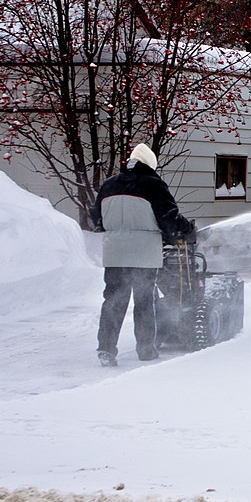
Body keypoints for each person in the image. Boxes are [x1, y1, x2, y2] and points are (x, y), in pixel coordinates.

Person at [90, 143, 193, 367]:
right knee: (145, 301)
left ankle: (106, 350)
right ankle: (146, 350)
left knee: (113, 301)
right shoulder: (154, 185)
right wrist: (186, 230)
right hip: (144, 254)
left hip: (115, 253)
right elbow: (169, 219)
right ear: (150, 164)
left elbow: (96, 219)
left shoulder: (109, 185)